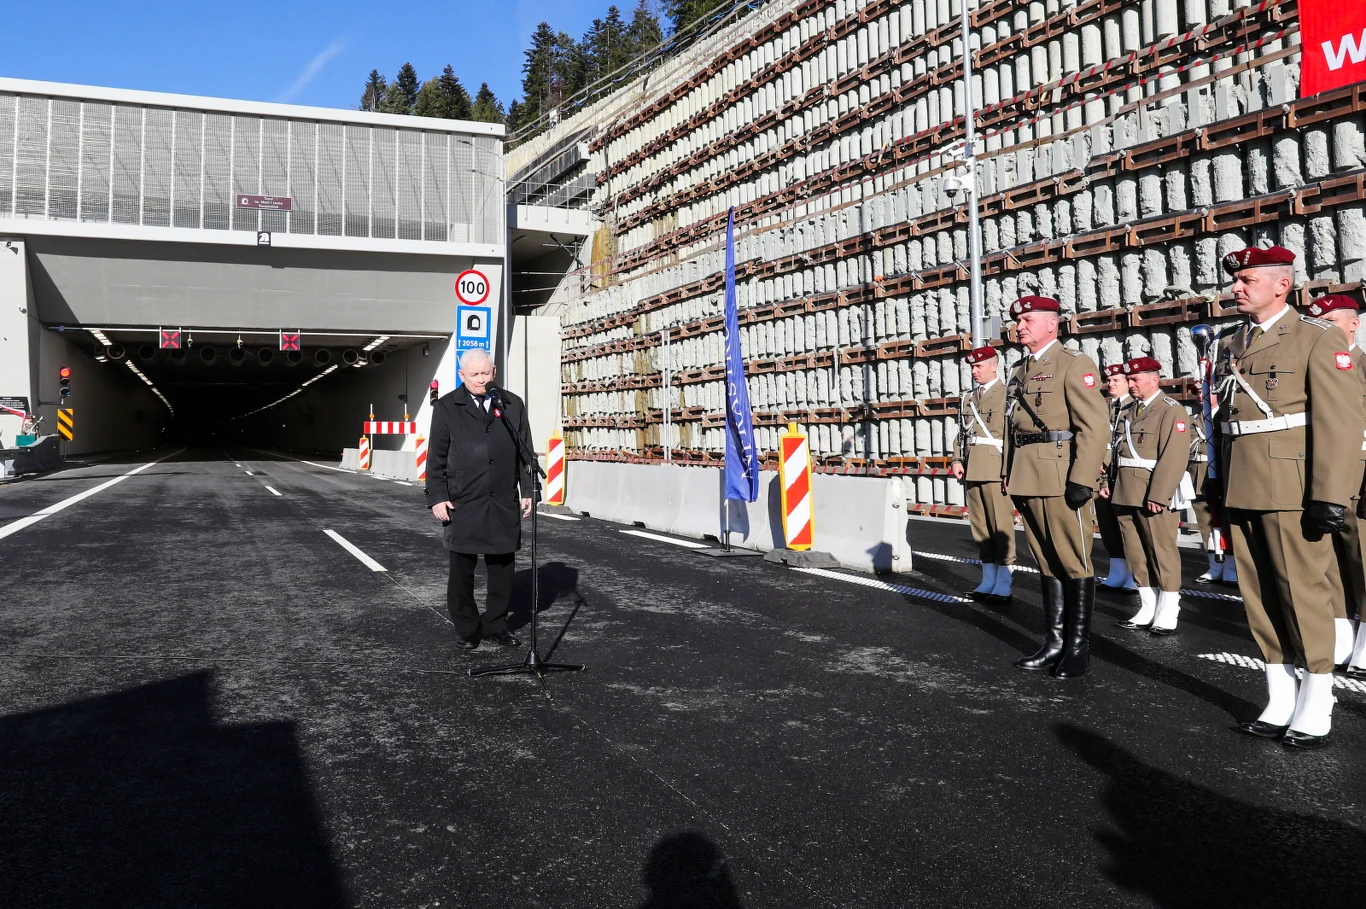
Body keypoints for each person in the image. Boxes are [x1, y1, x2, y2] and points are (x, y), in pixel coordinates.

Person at [1209, 246, 1364, 748]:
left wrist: (1330, 494)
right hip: (1243, 482)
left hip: (1291, 487)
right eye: (1235, 279)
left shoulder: (1317, 339)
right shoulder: (1232, 342)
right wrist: (1217, 479)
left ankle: (1318, 696)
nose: (1236, 287)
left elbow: (1340, 424)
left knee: (1303, 592)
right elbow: (1227, 420)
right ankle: (1279, 693)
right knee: (1258, 596)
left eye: (1248, 279)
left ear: (1282, 284)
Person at [1001, 295, 1108, 678]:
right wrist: (1006, 472)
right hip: (1027, 473)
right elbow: (1010, 429)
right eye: (1019, 320)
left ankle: (1078, 648)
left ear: (1052, 324)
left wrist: (1083, 477)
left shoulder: (1073, 363)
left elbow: (1094, 426)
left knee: (1074, 560)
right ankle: (1054, 642)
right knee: (1046, 561)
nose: (1020, 326)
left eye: (1028, 319)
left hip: (1061, 474)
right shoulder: (1019, 370)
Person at [425, 348, 534, 651]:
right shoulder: (447, 406)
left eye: (486, 373)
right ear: (462, 375)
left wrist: (528, 490)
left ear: (494, 371)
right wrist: (437, 496)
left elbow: (526, 452)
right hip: (463, 501)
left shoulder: (512, 404)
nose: (481, 379)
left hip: (501, 500)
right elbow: (436, 458)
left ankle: (497, 624)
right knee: (462, 570)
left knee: (502, 568)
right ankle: (467, 628)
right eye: (474, 374)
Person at [1301, 293, 1366, 672]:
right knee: (1328, 562)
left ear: (1353, 323)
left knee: (1361, 558)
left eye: (1331, 323)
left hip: (1359, 471)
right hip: (1320, 473)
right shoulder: (1312, 363)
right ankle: (1340, 633)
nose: (1322, 332)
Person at [1105, 357, 1192, 634]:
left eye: (1135, 379)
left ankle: (1168, 607)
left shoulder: (1170, 410)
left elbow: (1174, 456)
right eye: (1128, 380)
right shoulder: (1128, 410)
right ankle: (1146, 605)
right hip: (1124, 489)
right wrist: (1105, 481)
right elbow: (1115, 450)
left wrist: (1160, 494)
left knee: (1160, 550)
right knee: (1135, 551)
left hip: (1151, 491)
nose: (1130, 385)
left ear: (1154, 379)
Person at [951, 346, 1015, 602]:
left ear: (994, 366)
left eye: (979, 366)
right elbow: (962, 432)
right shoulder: (968, 398)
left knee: (1000, 525)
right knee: (980, 526)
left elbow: (1012, 437)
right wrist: (957, 458)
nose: (974, 371)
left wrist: (1007, 470)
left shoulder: (1007, 395)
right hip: (973, 466)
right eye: (972, 367)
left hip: (995, 467)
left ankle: (1005, 581)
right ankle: (988, 579)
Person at [1188, 376, 1237, 586]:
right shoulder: (1193, 420)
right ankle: (1214, 567)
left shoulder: (1225, 417)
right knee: (1205, 524)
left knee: (1228, 522)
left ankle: (1232, 568)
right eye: (1198, 393)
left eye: (1206, 392)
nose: (1201, 396)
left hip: (1224, 477)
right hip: (1199, 475)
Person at [1097, 363, 1137, 590]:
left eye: (1116, 381)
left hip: (1123, 470)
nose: (1110, 384)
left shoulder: (1134, 407)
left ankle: (1134, 572)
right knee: (1108, 523)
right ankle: (1117, 570)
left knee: (1127, 525)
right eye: (1109, 381)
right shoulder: (1105, 408)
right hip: (1103, 474)